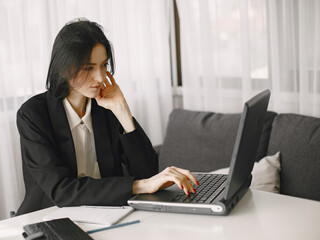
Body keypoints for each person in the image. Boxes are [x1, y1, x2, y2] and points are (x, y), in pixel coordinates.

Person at [16, 18, 198, 215]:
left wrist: (122, 111)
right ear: (63, 68)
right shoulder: (33, 115)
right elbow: (62, 192)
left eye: (104, 65)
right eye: (89, 68)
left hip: (107, 215)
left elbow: (149, 172)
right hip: (49, 218)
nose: (101, 77)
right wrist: (139, 186)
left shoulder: (104, 107)